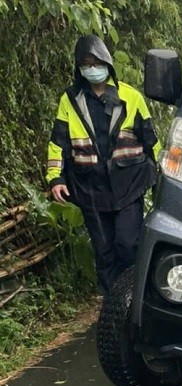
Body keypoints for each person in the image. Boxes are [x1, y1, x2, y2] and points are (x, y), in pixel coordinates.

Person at [46, 35, 161, 296]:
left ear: (107, 63)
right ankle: (114, 304)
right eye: (85, 64)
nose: (91, 68)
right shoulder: (71, 100)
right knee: (104, 252)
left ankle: (134, 295)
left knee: (127, 244)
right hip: (90, 187)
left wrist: (161, 178)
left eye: (96, 62)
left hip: (128, 184)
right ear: (78, 68)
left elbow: (151, 140)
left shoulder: (131, 97)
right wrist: (56, 178)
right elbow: (58, 143)